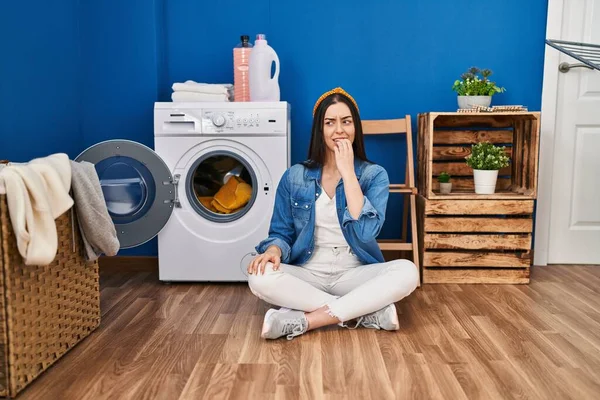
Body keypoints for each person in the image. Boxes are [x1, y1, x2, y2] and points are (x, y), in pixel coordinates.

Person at [247, 87, 419, 340]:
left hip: (354, 272)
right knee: (258, 277)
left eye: (346, 122)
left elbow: (366, 232)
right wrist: (273, 251)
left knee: (408, 271)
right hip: (308, 271)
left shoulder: (374, 175)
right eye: (330, 123)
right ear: (320, 130)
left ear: (355, 128)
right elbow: (281, 232)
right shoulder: (295, 176)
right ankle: (364, 312)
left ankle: (307, 320)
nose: (339, 129)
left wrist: (348, 173)